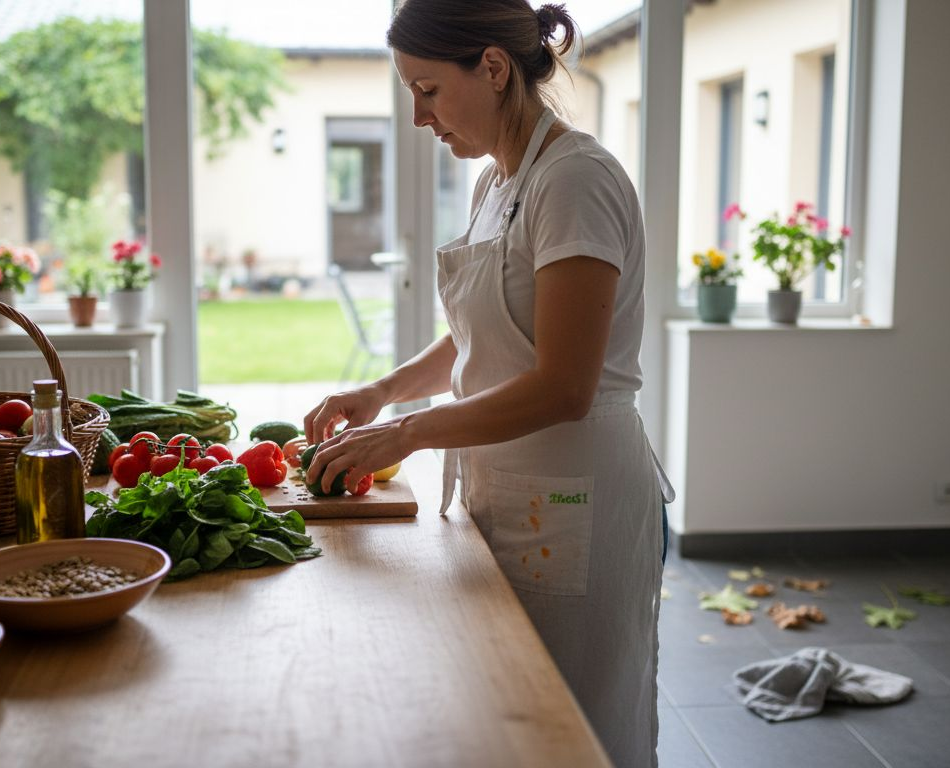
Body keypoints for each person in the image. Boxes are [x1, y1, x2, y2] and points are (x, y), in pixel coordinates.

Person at [303, 2, 675, 765]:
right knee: (506, 717)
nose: (418, 117)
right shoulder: (495, 182)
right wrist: (383, 392)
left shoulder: (576, 179)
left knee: (575, 726)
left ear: (494, 68)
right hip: (507, 487)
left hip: (578, 491)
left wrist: (406, 432)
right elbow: (490, 330)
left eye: (428, 90)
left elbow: (564, 384)